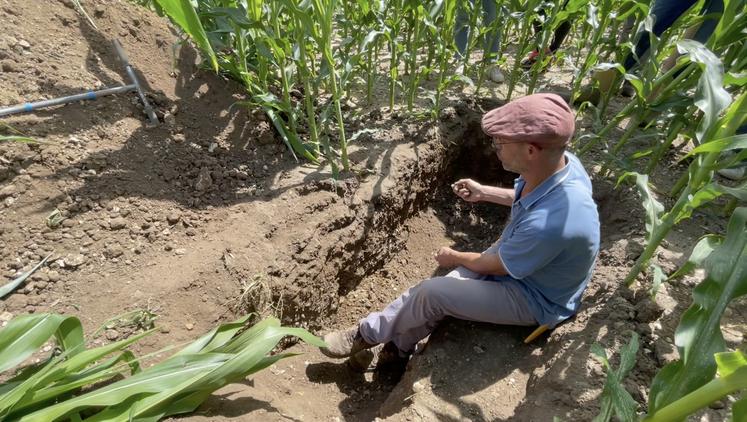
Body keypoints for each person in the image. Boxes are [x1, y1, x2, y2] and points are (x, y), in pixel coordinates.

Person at [320, 93, 601, 367]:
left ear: (531, 150)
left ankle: (365, 336)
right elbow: (527, 199)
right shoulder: (562, 166)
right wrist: (485, 193)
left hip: (534, 296)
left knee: (435, 292)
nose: (495, 146)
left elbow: (498, 265)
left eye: (501, 141)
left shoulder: (552, 223)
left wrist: (454, 256)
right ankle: (397, 350)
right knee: (441, 289)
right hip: (524, 258)